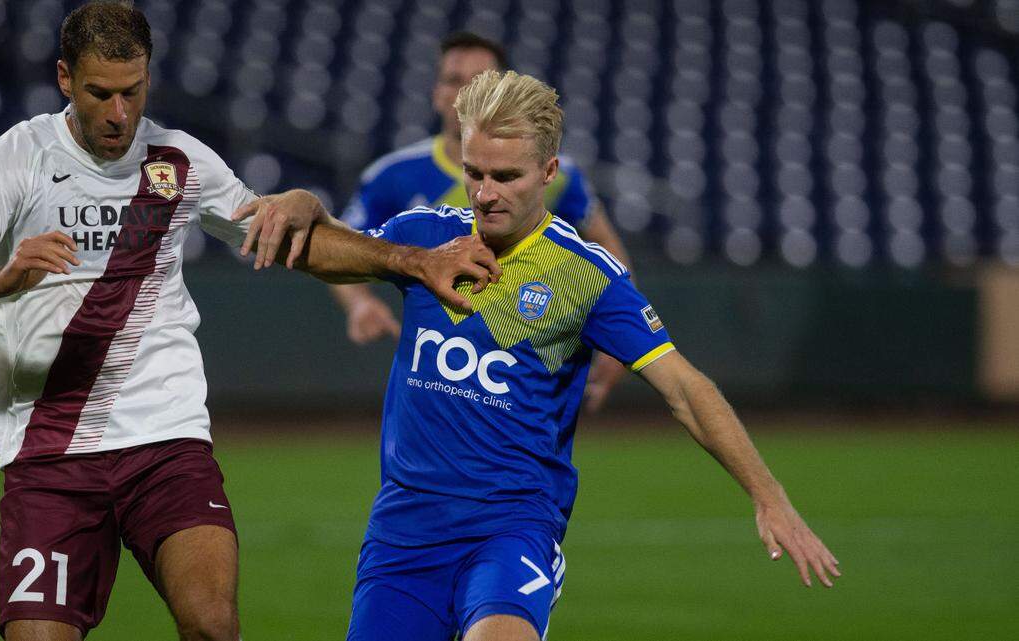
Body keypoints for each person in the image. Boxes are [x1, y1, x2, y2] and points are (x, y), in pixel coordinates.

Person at [0, 4, 498, 640]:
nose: (119, 113)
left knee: (213, 625)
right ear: (65, 78)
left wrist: (410, 260)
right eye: (100, 93)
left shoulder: (180, 161)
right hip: (51, 450)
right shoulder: (18, 157)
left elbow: (291, 240)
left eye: (133, 91)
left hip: (165, 439)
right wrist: (1, 278)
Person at [335, 70, 841, 641]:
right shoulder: (426, 238)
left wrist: (768, 496)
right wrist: (307, 211)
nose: (485, 193)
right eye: (474, 173)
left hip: (511, 526)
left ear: (549, 172)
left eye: (507, 176)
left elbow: (684, 388)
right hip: (404, 529)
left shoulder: (587, 276)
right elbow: (324, 250)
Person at [332, 31, 630, 411]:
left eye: (478, 81)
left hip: (521, 362)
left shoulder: (556, 174)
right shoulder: (392, 175)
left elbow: (607, 246)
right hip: (434, 364)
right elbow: (340, 244)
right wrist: (359, 303)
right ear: (436, 93)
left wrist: (617, 335)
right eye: (453, 80)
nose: (464, 92)